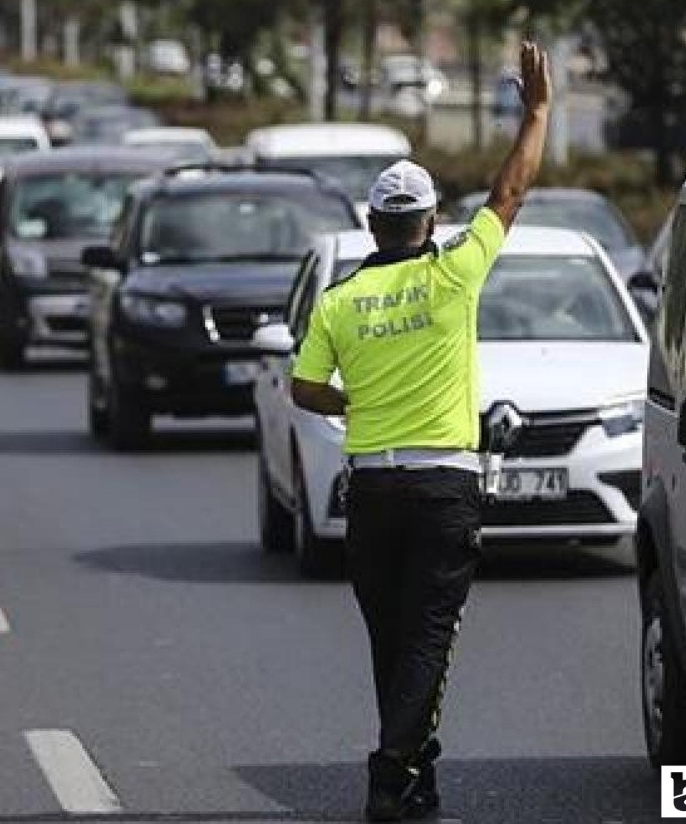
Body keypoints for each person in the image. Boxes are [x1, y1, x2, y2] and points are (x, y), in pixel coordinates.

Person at [290, 41, 551, 822]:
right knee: (430, 637)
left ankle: (415, 774)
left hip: (370, 486)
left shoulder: (339, 300)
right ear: (431, 221)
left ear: (372, 224)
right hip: (444, 486)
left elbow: (304, 388)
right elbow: (509, 192)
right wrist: (537, 112)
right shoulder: (453, 274)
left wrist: (354, 405)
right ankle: (389, 770)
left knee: (393, 639)